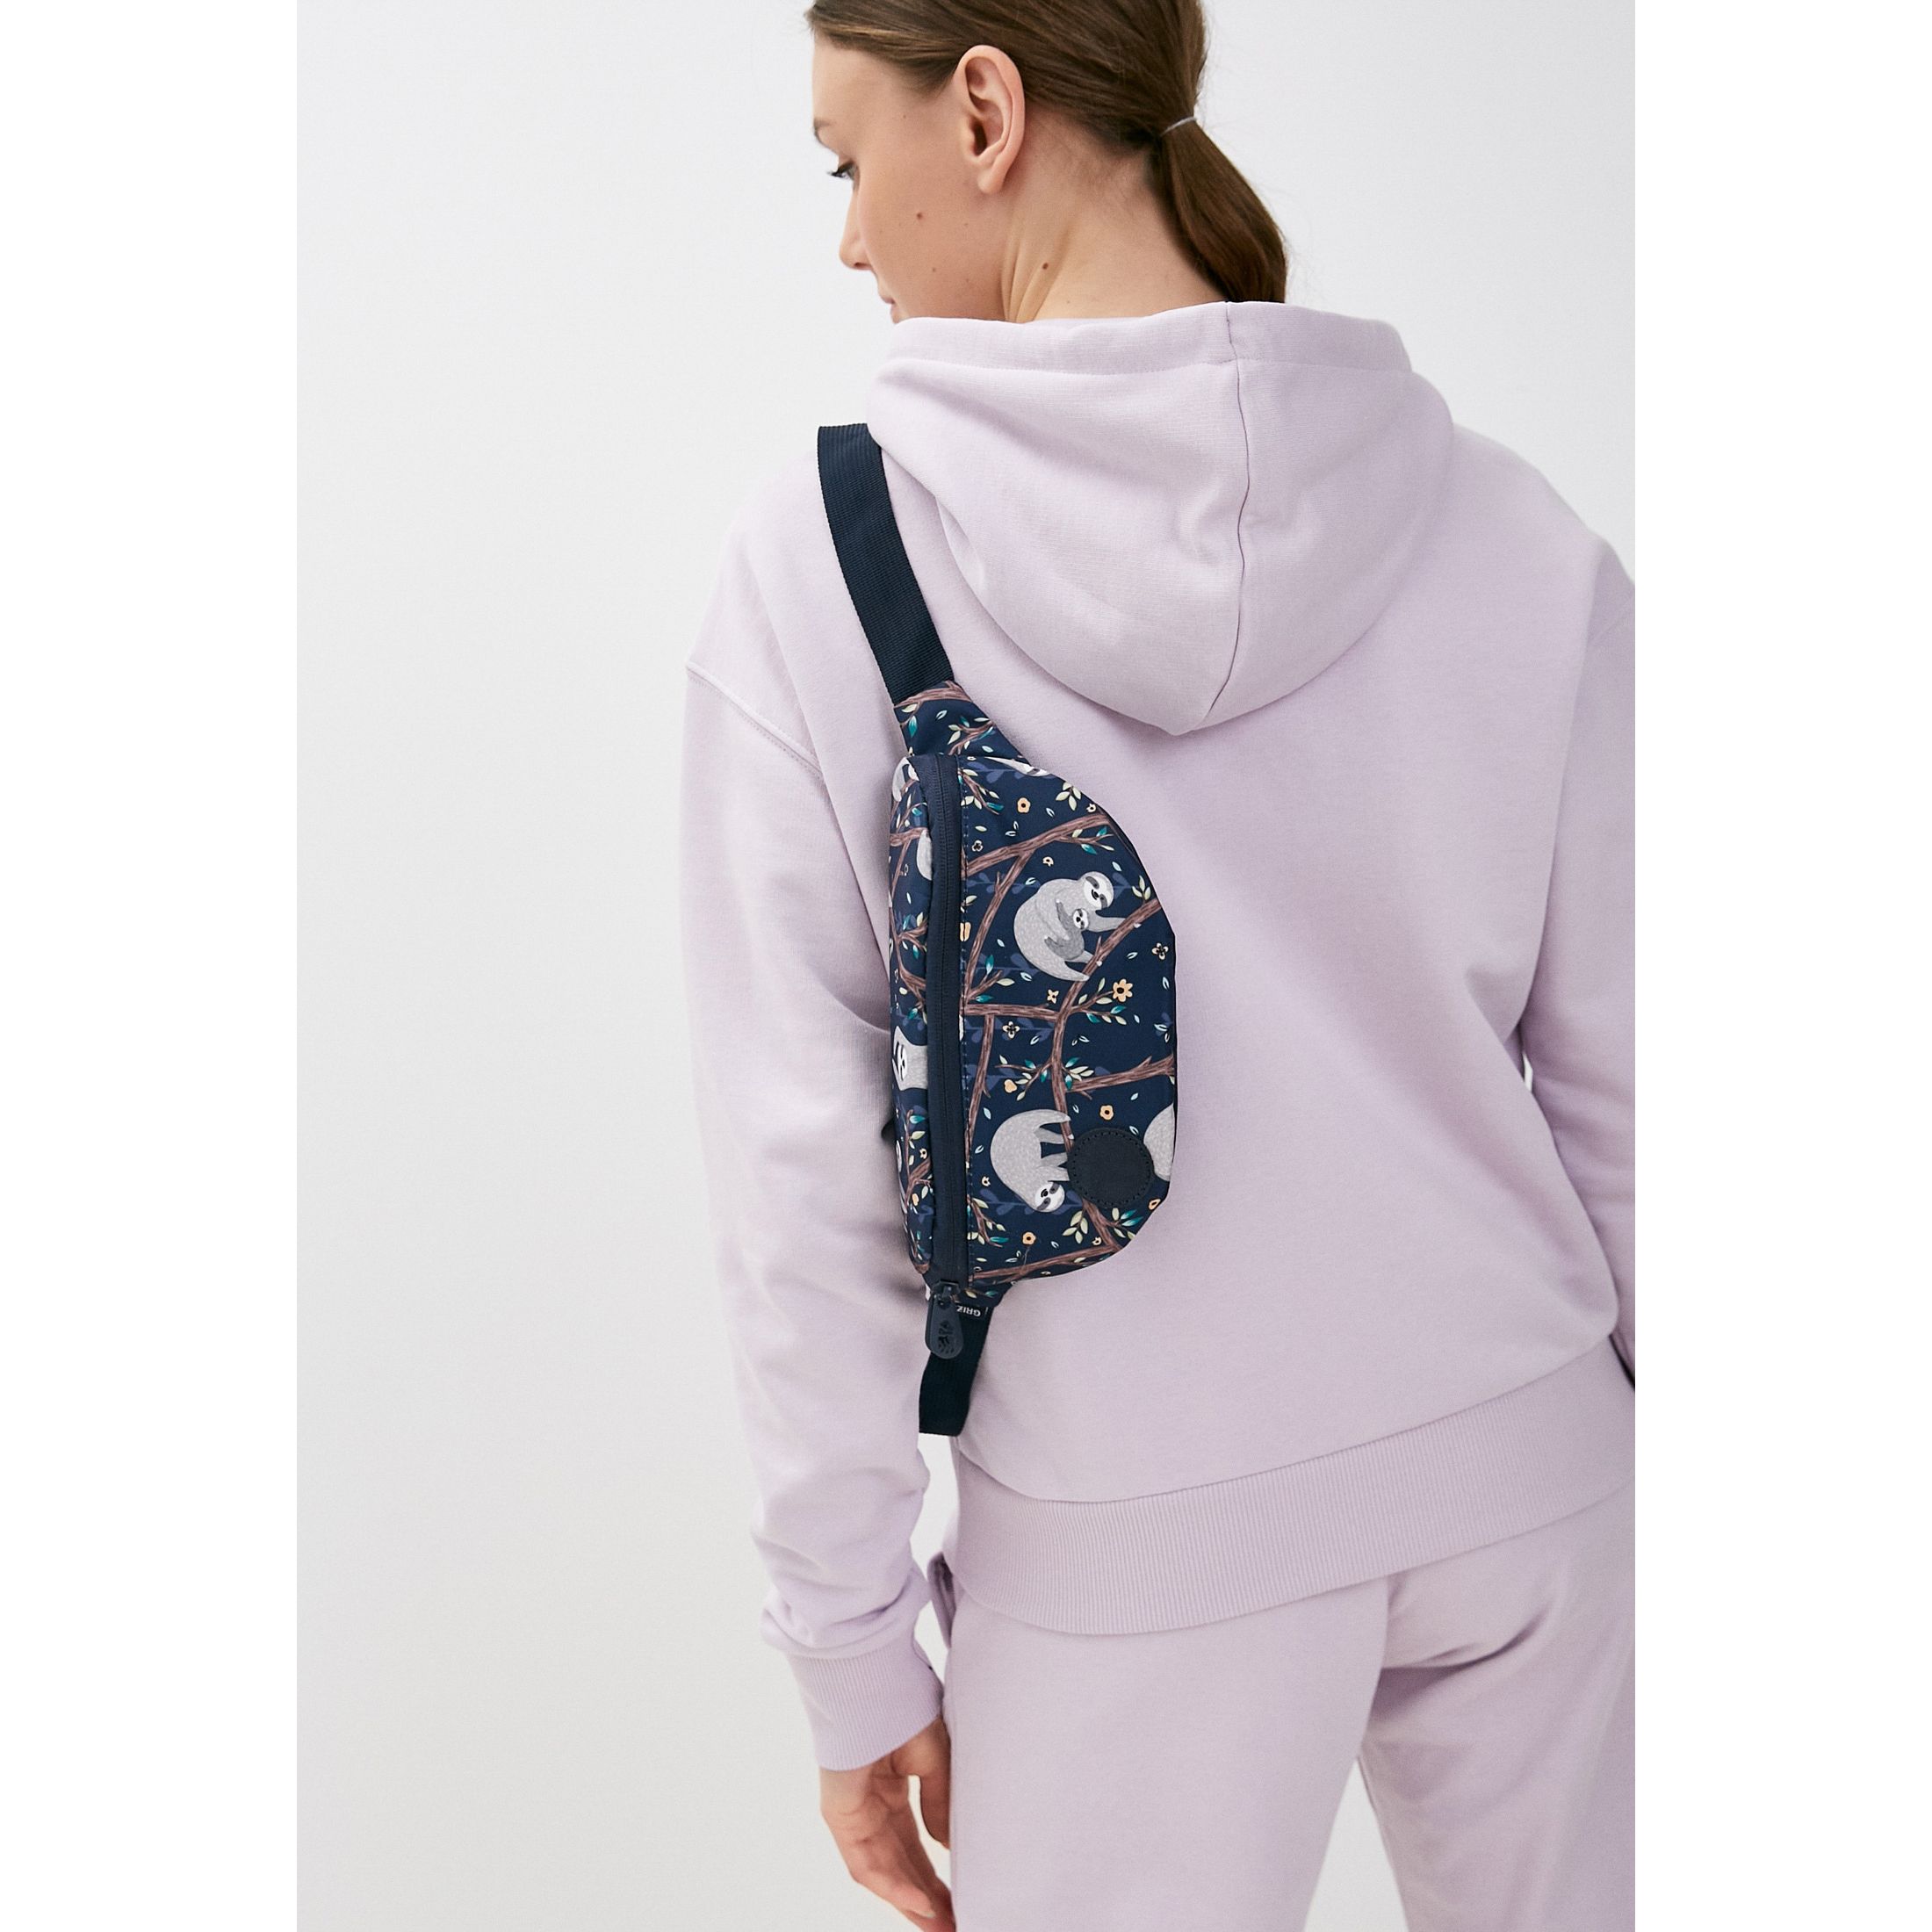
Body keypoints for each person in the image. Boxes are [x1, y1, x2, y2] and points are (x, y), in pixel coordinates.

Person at [677, 3, 1634, 1926]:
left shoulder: (826, 566)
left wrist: (851, 1649)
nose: (848, 237)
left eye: (845, 161)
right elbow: (1638, 1084)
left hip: (1134, 1550)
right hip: (1540, 1491)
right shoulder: (1507, 525)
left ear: (983, 112)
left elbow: (807, 1192)